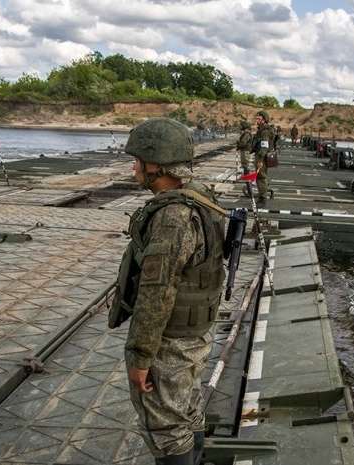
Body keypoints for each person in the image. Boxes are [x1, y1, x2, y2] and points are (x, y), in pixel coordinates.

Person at [108, 118, 226, 465]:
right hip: (196, 333)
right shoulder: (201, 197)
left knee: (166, 428)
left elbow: (156, 295)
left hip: (171, 343)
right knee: (187, 410)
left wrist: (140, 357)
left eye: (138, 161)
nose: (133, 168)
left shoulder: (173, 217)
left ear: (156, 166)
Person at [250, 110, 275, 203]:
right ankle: (263, 194)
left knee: (261, 177)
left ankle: (263, 198)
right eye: (256, 118)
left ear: (264, 120)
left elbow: (264, 147)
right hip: (260, 155)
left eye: (259, 119)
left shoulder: (264, 131)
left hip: (262, 157)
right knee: (260, 176)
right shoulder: (261, 130)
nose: (257, 120)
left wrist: (260, 160)